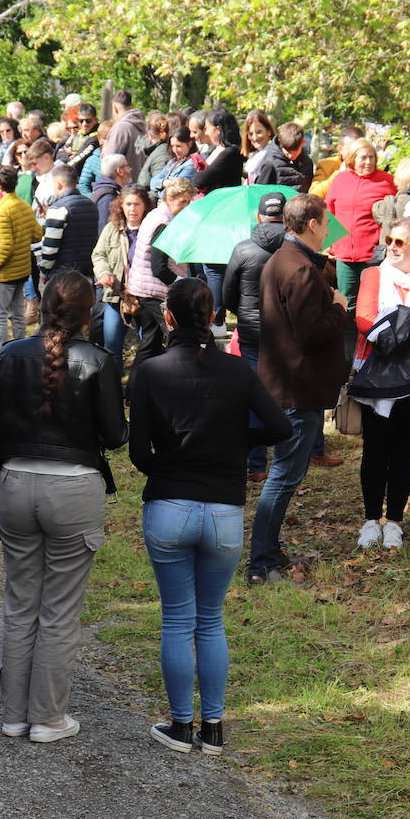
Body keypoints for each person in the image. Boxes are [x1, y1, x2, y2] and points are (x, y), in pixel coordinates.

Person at [130, 278, 292, 755]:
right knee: (211, 619)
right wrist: (239, 444)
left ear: (170, 319)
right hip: (224, 509)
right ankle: (215, 728)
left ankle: (182, 726)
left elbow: (139, 452)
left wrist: (172, 465)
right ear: (213, 316)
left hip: (170, 505)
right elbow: (281, 426)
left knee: (178, 619)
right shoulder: (238, 371)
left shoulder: (150, 372)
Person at [0, 269, 128, 744]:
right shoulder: (99, 361)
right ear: (90, 313)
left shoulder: (12, 355)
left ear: (42, 307)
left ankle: (14, 715)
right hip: (73, 490)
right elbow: (114, 437)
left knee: (21, 604)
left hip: (15, 483)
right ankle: (47, 717)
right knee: (59, 610)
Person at [248, 194, 349, 585]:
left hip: (286, 381)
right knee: (284, 476)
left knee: (284, 474)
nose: (327, 230)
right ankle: (262, 563)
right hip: (296, 387)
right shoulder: (301, 269)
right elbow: (310, 332)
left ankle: (269, 552)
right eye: (325, 223)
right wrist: (339, 308)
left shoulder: (282, 259)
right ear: (310, 224)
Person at [352, 218, 410, 550]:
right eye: (389, 239)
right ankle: (371, 519)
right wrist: (398, 334)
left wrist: (404, 331)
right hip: (378, 375)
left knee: (405, 451)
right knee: (375, 449)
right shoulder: (373, 274)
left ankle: (396, 521)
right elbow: (363, 316)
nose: (391, 246)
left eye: (400, 242)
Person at [223, 191, 288, 482]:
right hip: (287, 332)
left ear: (259, 217)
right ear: (284, 217)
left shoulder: (242, 249)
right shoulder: (295, 248)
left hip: (251, 331)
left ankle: (257, 464)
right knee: (288, 394)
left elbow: (227, 293)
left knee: (253, 394)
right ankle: (290, 456)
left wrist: (243, 313)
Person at [0, 165, 44, 381]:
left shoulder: (3, 210)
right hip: (22, 271)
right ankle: (21, 357)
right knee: (17, 315)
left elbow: (4, 246)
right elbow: (37, 234)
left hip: (4, 274)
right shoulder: (23, 206)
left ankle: (0, 361)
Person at [326, 138, 398, 308]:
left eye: (372, 157)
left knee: (371, 302)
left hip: (374, 254)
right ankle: (346, 335)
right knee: (346, 302)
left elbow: (397, 213)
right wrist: (329, 243)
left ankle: (367, 335)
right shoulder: (340, 179)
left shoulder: (387, 181)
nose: (368, 162)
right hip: (344, 254)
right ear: (352, 159)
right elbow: (329, 211)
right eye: (363, 158)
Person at [130, 178, 195, 365]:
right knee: (175, 337)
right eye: (182, 202)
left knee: (151, 342)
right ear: (170, 198)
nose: (186, 206)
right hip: (155, 290)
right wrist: (179, 283)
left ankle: (138, 387)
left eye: (188, 201)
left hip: (145, 286)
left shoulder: (157, 215)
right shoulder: (163, 222)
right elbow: (158, 266)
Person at [90, 186, 148, 372]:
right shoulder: (112, 228)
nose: (132, 209)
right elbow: (99, 255)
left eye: (137, 204)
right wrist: (104, 273)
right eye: (128, 204)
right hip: (116, 296)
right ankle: (113, 386)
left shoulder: (151, 229)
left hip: (145, 297)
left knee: (148, 345)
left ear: (145, 206)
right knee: (111, 345)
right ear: (121, 206)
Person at [38, 164, 97, 278]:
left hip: (63, 274)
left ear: (58, 185)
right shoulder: (91, 204)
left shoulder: (58, 208)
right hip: (87, 271)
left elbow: (50, 247)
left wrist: (44, 271)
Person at [249, 122, 314, 191]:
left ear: (303, 143)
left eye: (295, 150)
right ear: (280, 143)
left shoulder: (307, 162)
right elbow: (259, 192)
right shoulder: (269, 164)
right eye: (287, 151)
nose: (291, 155)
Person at [149, 126, 204, 194]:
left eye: (178, 146)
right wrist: (165, 182)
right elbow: (153, 182)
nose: (175, 150)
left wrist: (161, 187)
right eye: (172, 146)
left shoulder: (192, 164)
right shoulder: (172, 162)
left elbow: (177, 190)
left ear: (190, 144)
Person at [103, 89, 146, 174]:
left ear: (115, 108)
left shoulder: (121, 128)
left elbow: (109, 164)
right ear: (132, 105)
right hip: (138, 182)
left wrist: (104, 150)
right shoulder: (142, 126)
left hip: (123, 183)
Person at [91, 154, 131, 234]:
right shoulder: (108, 198)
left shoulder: (106, 191)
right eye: (127, 166)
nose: (130, 169)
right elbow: (104, 231)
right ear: (119, 171)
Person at [240, 110, 277, 185]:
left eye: (259, 132)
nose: (255, 138)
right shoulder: (253, 158)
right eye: (251, 134)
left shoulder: (274, 157)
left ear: (269, 131)